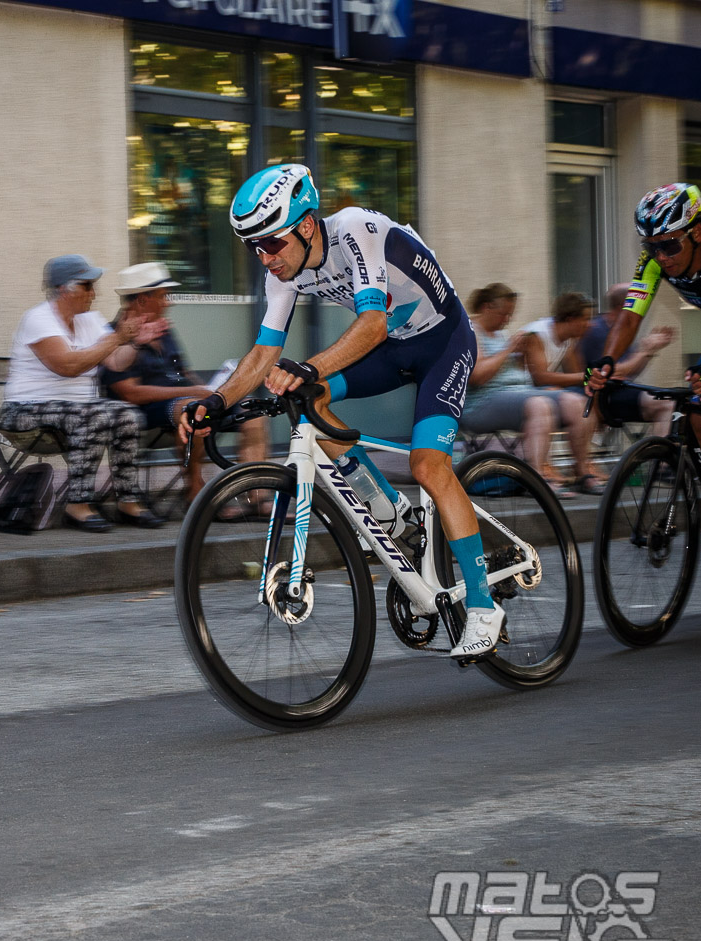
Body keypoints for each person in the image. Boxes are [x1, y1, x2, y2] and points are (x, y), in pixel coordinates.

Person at [189, 163, 502, 659]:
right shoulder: (283, 271)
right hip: (393, 347)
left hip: (442, 341)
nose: (265, 257)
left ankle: (483, 606)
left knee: (428, 465)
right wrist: (215, 401)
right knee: (307, 401)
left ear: (306, 225)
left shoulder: (356, 229)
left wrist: (309, 367)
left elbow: (372, 324)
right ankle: (391, 513)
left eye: (271, 243)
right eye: (253, 247)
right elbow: (264, 353)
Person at [0, 254, 166, 532]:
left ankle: (127, 501)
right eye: (87, 286)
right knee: (93, 416)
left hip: (78, 408)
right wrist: (117, 337)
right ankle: (77, 504)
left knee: (127, 414)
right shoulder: (38, 319)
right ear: (64, 289)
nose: (93, 293)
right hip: (24, 410)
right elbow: (68, 366)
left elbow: (115, 362)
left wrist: (135, 343)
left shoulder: (90, 320)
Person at [100, 261, 269, 510]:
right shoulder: (114, 335)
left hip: (187, 399)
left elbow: (184, 373)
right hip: (147, 411)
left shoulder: (163, 331)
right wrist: (194, 393)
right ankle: (195, 493)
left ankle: (257, 497)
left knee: (253, 413)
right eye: (163, 296)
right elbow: (130, 394)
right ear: (143, 300)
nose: (168, 303)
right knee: (193, 410)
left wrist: (215, 392)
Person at [586, 182, 701, 446]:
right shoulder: (651, 262)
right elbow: (630, 316)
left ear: (697, 232)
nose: (661, 257)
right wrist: (607, 361)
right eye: (651, 247)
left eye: (670, 246)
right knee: (695, 413)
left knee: (699, 413)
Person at [457, 284, 577, 497]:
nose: (507, 320)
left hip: (514, 394)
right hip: (480, 403)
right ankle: (537, 479)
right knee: (539, 405)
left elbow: (511, 373)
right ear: (487, 307)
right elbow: (478, 376)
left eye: (510, 315)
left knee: (574, 401)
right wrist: (509, 349)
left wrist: (521, 356)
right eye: (503, 314)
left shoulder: (500, 334)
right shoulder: (470, 330)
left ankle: (583, 472)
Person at [512, 292, 606, 493]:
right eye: (585, 319)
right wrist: (584, 378)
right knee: (575, 402)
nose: (590, 325)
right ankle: (560, 470)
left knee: (584, 400)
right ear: (570, 319)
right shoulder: (537, 334)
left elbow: (578, 374)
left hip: (540, 393)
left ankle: (582, 469)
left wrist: (593, 383)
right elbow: (540, 377)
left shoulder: (568, 341)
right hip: (519, 392)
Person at [575, 283, 675, 438]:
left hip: (619, 390)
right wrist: (644, 351)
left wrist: (648, 352)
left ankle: (661, 448)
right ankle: (660, 453)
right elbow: (609, 371)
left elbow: (630, 371)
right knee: (667, 405)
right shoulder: (596, 330)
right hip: (603, 396)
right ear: (625, 306)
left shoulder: (622, 329)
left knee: (675, 401)